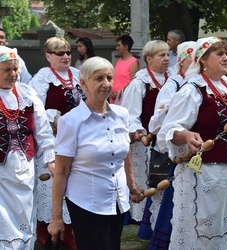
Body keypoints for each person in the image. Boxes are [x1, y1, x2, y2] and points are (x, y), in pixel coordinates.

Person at [47, 56, 144, 250]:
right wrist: (56, 218)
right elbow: (61, 172)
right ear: (83, 83)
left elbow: (125, 152)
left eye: (109, 78)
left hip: (117, 199)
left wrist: (132, 184)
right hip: (86, 203)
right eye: (99, 79)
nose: (106, 84)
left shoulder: (121, 115)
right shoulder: (71, 121)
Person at [157, 37, 227, 249]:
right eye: (219, 54)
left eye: (226, 54)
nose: (225, 58)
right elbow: (169, 130)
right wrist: (186, 135)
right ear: (203, 60)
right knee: (204, 221)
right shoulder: (192, 89)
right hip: (204, 171)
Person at [28, 36, 82, 249]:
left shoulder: (78, 75)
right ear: (48, 56)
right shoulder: (41, 79)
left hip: (78, 141)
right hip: (53, 142)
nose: (66, 56)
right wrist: (55, 117)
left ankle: (74, 233)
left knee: (75, 187)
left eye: (68, 52)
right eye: (60, 53)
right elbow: (35, 111)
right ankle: (50, 236)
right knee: (53, 188)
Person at [0, 46, 55, 250]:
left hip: (26, 171)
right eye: (7, 69)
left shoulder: (27, 94)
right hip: (1, 174)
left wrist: (50, 159)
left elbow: (43, 132)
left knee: (25, 219)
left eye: (15, 69)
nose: (13, 74)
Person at [147, 40, 196, 249]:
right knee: (170, 197)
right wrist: (169, 111)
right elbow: (157, 123)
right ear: (183, 61)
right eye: (193, 58)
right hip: (172, 150)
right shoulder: (174, 85)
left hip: (193, 151)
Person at [120, 40, 170, 229]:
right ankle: (145, 223)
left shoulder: (172, 80)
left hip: (166, 142)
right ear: (149, 59)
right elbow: (130, 114)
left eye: (167, 55)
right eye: (161, 55)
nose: (166, 59)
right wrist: (141, 134)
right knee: (148, 180)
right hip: (146, 143)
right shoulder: (140, 83)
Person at [110, 34, 140, 104]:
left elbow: (133, 82)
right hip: (114, 98)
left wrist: (119, 92)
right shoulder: (118, 61)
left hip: (125, 99)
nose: (117, 48)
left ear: (126, 47)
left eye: (119, 45)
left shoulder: (134, 62)